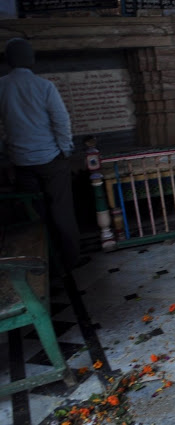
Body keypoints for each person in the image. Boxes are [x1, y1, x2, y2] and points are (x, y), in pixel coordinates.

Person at [0, 38, 81, 273]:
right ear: (32, 59)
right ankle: (70, 261)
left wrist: (6, 150)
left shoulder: (2, 86)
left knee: (37, 215)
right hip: (51, 160)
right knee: (62, 211)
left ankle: (45, 265)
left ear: (8, 61)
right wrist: (65, 150)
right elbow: (61, 121)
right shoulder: (44, 86)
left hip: (21, 162)